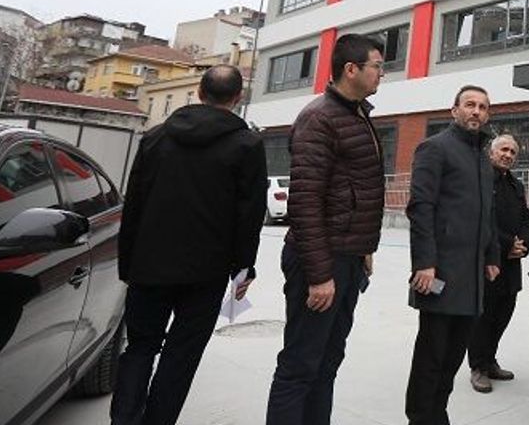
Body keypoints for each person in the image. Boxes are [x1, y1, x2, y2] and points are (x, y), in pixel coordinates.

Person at [112, 65, 266, 425]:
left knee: (139, 348)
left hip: (148, 265)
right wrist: (244, 268)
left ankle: (123, 420)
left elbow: (134, 204)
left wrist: (127, 263)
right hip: (206, 273)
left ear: (199, 92)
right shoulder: (247, 145)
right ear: (238, 98)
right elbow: (249, 214)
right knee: (181, 356)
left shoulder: (155, 138)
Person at [266, 34, 385, 425]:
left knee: (328, 361)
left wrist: (365, 249)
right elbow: (305, 202)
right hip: (320, 261)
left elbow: (357, 188)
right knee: (301, 365)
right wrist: (319, 276)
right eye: (376, 66)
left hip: (347, 256)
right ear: (351, 69)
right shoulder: (319, 118)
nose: (381, 73)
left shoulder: (357, 114)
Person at [405, 85, 501, 424]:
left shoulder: (483, 158)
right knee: (431, 356)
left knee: (453, 357)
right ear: (454, 110)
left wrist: (492, 255)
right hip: (439, 274)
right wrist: (425, 263)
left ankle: (438, 415)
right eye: (470, 104)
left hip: (471, 278)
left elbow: (487, 212)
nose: (476, 111)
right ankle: (420, 418)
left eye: (483, 107)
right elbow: (420, 207)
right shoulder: (435, 148)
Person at [468, 133, 529, 393]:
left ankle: (490, 359)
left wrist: (524, 243)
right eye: (503, 150)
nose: (508, 155)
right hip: (488, 260)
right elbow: (481, 220)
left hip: (512, 263)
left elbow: (526, 218)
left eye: (512, 152)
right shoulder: (480, 181)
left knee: (504, 313)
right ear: (491, 152)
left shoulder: (516, 185)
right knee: (483, 317)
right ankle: (478, 367)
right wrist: (508, 244)